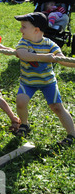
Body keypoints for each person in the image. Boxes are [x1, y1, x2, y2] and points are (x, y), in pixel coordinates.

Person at [14, 12, 75, 147]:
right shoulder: (23, 42)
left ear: (36, 30)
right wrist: (45, 57)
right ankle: (24, 124)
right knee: (21, 102)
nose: (20, 29)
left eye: (24, 27)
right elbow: (24, 55)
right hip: (28, 82)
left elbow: (63, 60)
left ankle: (72, 134)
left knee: (57, 107)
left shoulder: (50, 44)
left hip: (48, 82)